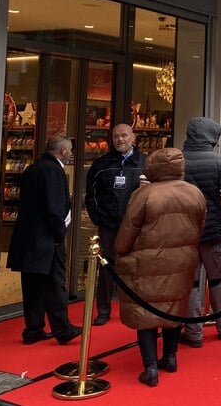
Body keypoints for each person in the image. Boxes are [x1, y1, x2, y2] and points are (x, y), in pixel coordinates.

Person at [115, 148, 206, 386]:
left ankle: (150, 367)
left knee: (145, 311)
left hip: (147, 261)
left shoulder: (144, 195)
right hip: (182, 259)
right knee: (173, 307)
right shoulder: (194, 192)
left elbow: (127, 233)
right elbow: (201, 226)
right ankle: (170, 356)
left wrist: (120, 251)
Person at [7, 136, 82, 346]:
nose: (71, 154)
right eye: (70, 150)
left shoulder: (33, 169)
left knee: (32, 285)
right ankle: (62, 328)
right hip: (46, 238)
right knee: (54, 284)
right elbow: (54, 207)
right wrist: (59, 234)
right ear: (63, 151)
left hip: (27, 237)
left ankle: (33, 328)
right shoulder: (54, 171)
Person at [180, 117, 221, 347]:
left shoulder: (178, 159)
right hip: (214, 230)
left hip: (185, 231)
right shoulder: (218, 162)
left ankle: (193, 331)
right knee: (218, 280)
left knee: (190, 283)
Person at [84, 124, 146, 325]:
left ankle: (137, 307)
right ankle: (103, 310)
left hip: (136, 226)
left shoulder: (146, 163)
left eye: (124, 135)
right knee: (106, 267)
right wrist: (98, 218)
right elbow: (91, 194)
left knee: (135, 267)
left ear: (133, 138)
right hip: (108, 224)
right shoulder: (101, 164)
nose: (120, 139)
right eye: (116, 136)